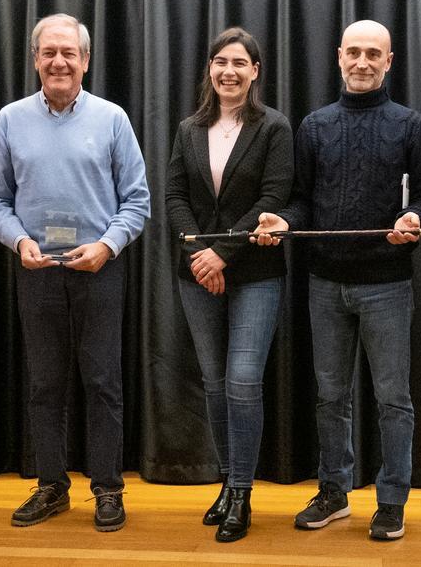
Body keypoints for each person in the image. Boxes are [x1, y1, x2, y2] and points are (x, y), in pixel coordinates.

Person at [253, 20, 421, 541]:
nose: (362, 62)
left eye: (372, 54)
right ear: (339, 57)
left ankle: (392, 499)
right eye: (354, 53)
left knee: (392, 398)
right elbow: (299, 198)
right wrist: (284, 221)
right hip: (324, 283)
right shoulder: (314, 125)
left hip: (387, 284)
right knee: (331, 396)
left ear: (389, 61)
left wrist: (414, 219)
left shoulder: (410, 124)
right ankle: (334, 491)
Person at [0, 13, 150, 532]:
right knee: (45, 384)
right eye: (49, 52)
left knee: (103, 382)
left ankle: (107, 489)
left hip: (99, 268)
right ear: (36, 59)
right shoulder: (10, 119)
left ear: (86, 60)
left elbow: (137, 201)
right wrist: (20, 241)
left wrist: (107, 246)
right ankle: (52, 484)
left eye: (68, 53)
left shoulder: (112, 119)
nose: (59, 61)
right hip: (36, 269)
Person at [165, 27, 293, 542]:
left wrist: (222, 253)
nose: (229, 72)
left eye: (239, 63)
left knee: (243, 381)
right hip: (197, 275)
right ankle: (226, 481)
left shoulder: (274, 128)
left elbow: (275, 195)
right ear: (210, 69)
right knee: (215, 384)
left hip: (255, 274)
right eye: (220, 62)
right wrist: (201, 257)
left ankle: (242, 491)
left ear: (255, 71)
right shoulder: (189, 128)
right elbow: (174, 196)